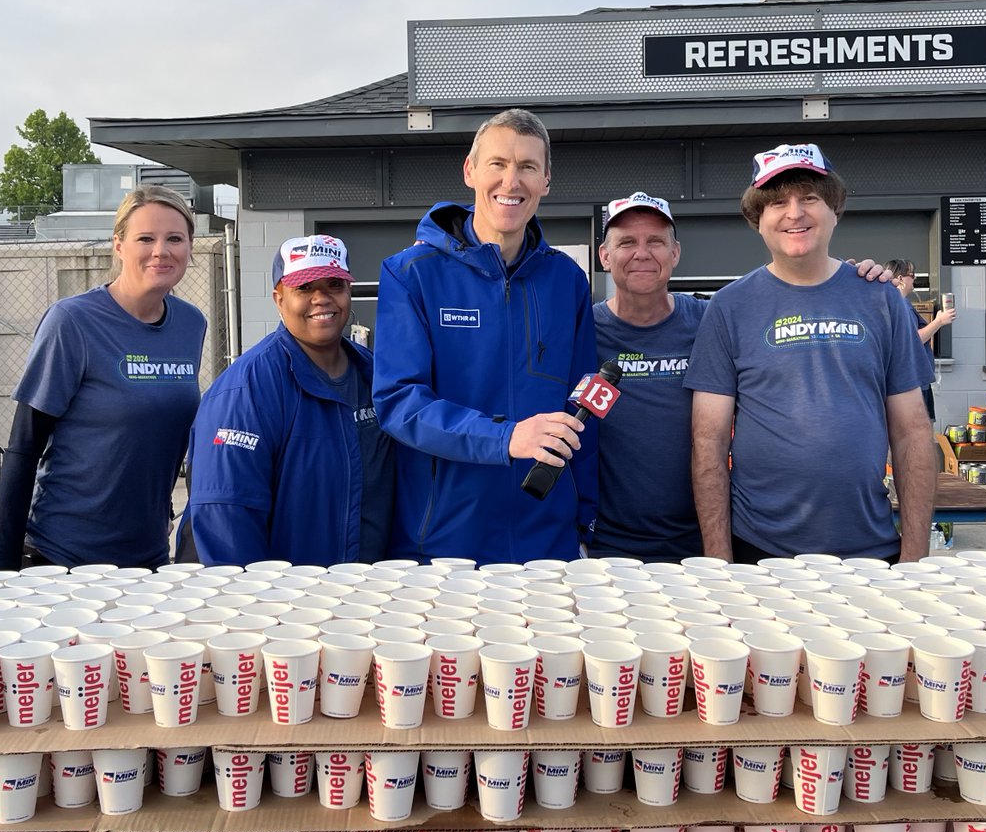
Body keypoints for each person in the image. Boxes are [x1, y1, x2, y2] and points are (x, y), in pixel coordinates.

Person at [685, 143, 936, 564]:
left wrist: (914, 558)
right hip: (759, 552)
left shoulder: (882, 301)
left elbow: (912, 432)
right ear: (757, 220)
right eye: (777, 202)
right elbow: (707, 441)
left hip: (870, 551)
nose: (794, 213)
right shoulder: (729, 307)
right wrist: (719, 561)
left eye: (810, 198)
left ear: (834, 210)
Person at [372, 108, 597, 565]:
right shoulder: (411, 274)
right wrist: (504, 438)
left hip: (547, 541)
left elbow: (584, 409)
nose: (511, 182)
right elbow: (399, 403)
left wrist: (585, 519)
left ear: (546, 181)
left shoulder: (567, 281)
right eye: (498, 164)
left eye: (528, 167)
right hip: (445, 543)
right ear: (470, 170)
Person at [0, 185, 207, 570]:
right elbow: (24, 447)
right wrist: (1, 567)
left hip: (149, 555)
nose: (162, 250)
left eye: (175, 238)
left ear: (190, 246)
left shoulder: (191, 324)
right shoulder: (72, 321)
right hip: (65, 557)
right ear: (119, 245)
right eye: (145, 238)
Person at [178, 234, 394, 566]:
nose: (321, 299)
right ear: (279, 299)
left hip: (361, 595)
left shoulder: (375, 379)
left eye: (334, 285)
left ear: (349, 293)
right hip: (281, 602)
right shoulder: (246, 391)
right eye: (304, 288)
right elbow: (224, 522)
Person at [589, 192, 706, 561]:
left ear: (675, 253)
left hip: (699, 540)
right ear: (605, 256)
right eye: (626, 242)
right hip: (604, 547)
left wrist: (847, 278)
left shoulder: (710, 322)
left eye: (656, 241)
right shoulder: (580, 331)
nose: (642, 253)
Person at [883, 259, 956, 421]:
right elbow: (913, 340)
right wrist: (939, 321)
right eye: (912, 275)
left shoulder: (890, 304)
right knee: (921, 429)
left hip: (906, 379)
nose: (914, 280)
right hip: (914, 380)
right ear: (900, 278)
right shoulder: (901, 306)